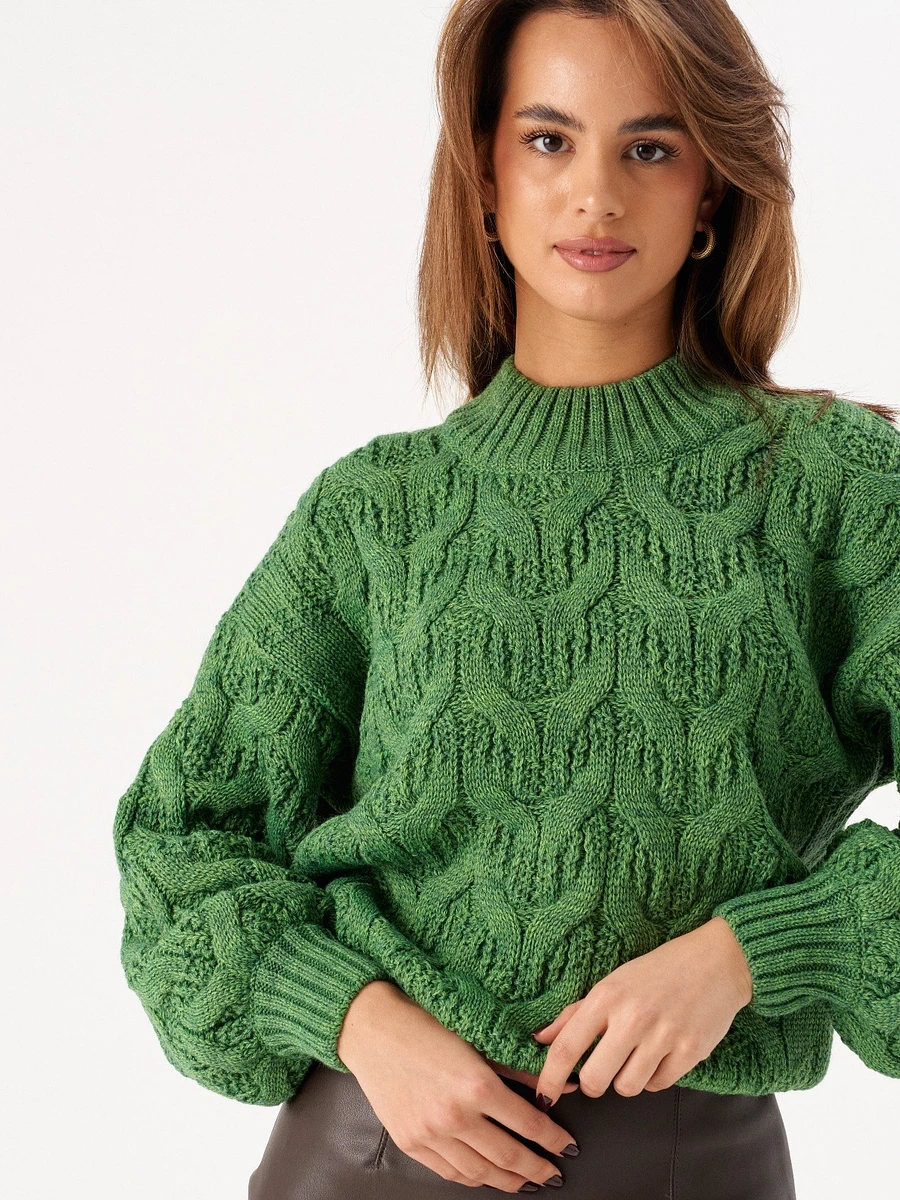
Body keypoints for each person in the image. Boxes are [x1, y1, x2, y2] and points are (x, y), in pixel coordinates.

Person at [113, 1, 900, 1197]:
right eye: (548, 140)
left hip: (683, 1163)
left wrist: (759, 951)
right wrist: (355, 1015)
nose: (596, 195)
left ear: (711, 193)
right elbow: (180, 841)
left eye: (650, 147)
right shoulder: (377, 512)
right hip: (370, 1155)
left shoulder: (833, 490)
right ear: (485, 181)